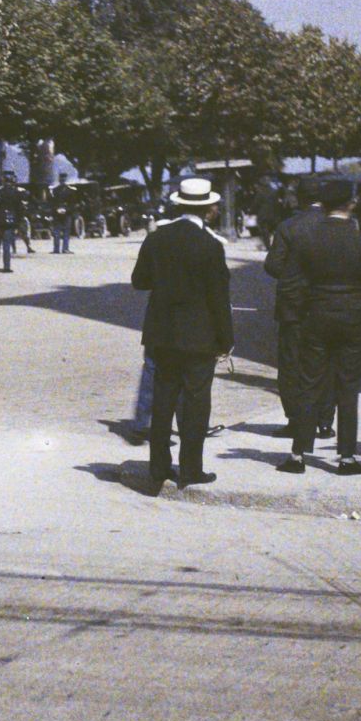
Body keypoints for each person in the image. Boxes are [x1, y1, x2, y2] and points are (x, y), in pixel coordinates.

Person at [268, 178, 361, 476]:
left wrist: (302, 311)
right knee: (348, 387)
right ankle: (346, 457)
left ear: (322, 205)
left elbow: (292, 282)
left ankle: (298, 454)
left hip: (316, 316)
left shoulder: (306, 239)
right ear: (351, 204)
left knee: (310, 382)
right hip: (352, 317)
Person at [131, 176, 234, 491]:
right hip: (199, 335)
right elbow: (219, 298)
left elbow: (139, 281)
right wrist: (226, 339)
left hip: (162, 333)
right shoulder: (211, 245)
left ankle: (158, 466)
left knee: (163, 399)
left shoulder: (158, 238)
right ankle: (191, 468)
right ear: (207, 209)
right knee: (196, 402)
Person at [262, 179, 326, 444]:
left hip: (293, 306)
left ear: (298, 199)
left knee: (291, 364)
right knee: (324, 361)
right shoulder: (336, 227)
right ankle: (325, 421)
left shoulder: (287, 227)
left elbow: (272, 265)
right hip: (326, 304)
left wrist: (295, 276)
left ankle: (295, 419)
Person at [0, 171, 21, 273]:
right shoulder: (16, 192)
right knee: (7, 245)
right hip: (10, 221)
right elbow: (19, 209)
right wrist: (17, 223)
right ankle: (6, 266)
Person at [49, 173, 74, 255]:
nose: (62, 180)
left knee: (65, 231)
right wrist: (56, 209)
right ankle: (59, 248)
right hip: (58, 213)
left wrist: (66, 209)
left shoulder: (70, 190)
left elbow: (72, 203)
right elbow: (52, 202)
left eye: (63, 178)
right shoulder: (55, 190)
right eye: (61, 178)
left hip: (66, 213)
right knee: (58, 231)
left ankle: (63, 248)